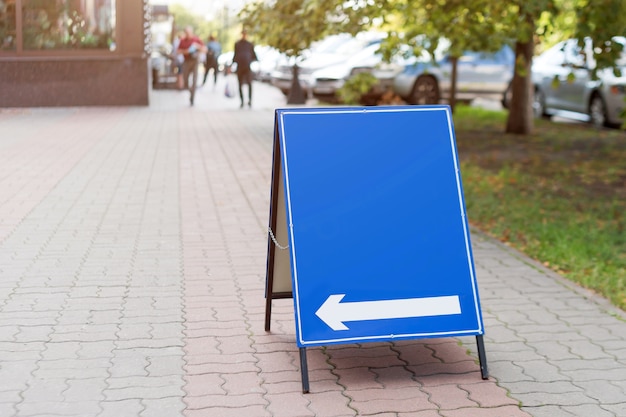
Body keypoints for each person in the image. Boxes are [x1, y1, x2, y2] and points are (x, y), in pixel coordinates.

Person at [176, 26, 206, 105]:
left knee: (194, 80)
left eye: (189, 32)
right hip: (186, 61)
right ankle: (190, 91)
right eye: (186, 33)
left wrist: (197, 46)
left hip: (195, 61)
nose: (188, 34)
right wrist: (186, 51)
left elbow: (205, 49)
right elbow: (178, 51)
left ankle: (192, 98)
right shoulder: (182, 41)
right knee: (185, 79)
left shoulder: (196, 40)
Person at [232, 30, 258, 108]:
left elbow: (254, 56)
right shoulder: (237, 44)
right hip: (240, 67)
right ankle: (242, 101)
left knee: (249, 84)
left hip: (247, 67)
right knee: (240, 84)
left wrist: (250, 60)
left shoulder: (249, 45)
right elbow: (235, 55)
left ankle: (250, 100)